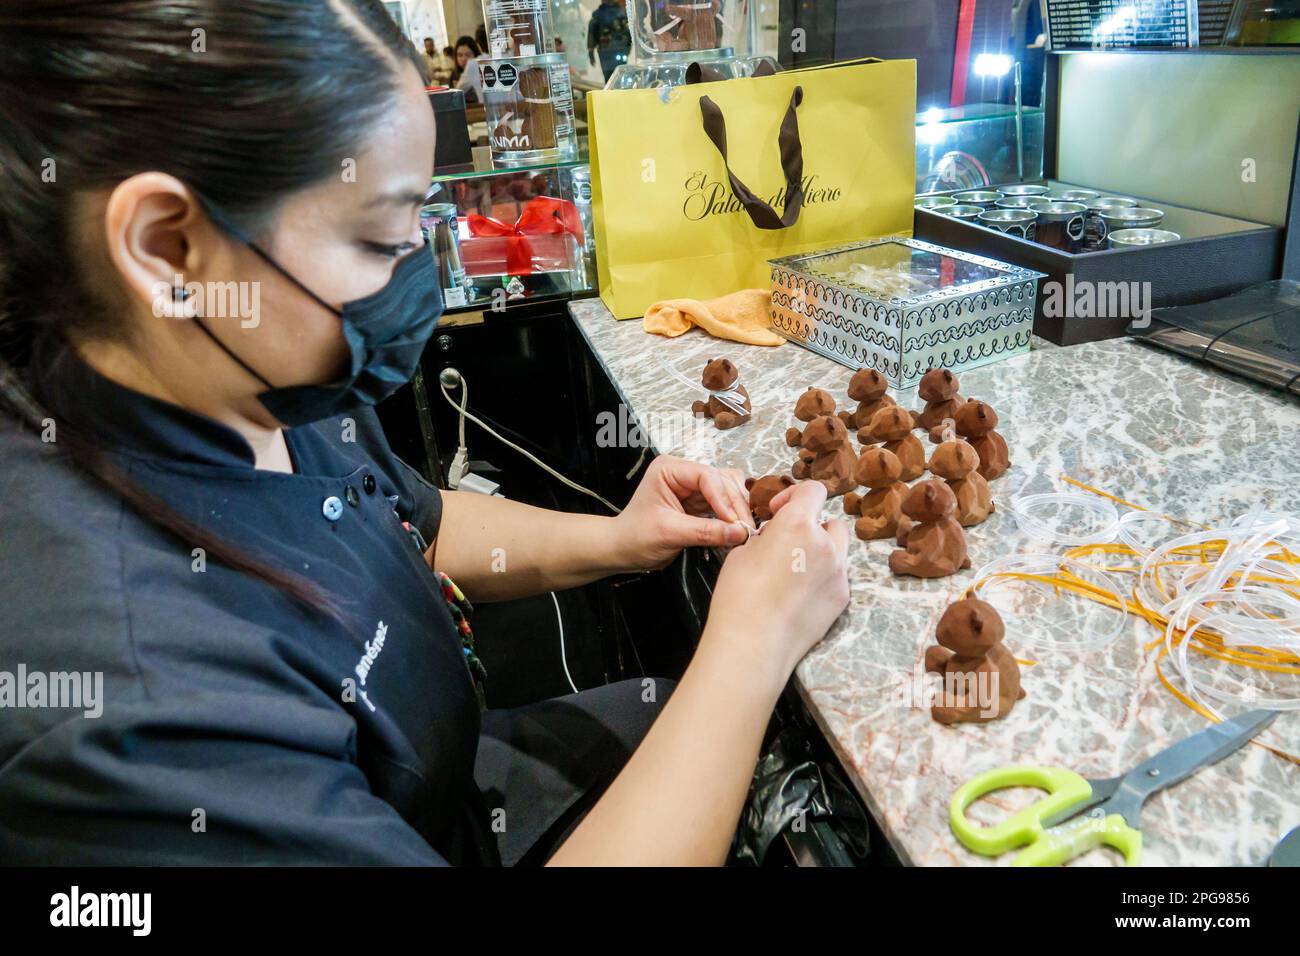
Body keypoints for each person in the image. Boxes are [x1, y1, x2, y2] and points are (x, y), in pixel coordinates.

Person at [0, 0, 849, 866]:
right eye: (377, 236)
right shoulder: (141, 716)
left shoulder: (249, 373)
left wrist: (623, 538)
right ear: (167, 247)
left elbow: (417, 524)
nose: (419, 266)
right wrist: (751, 644)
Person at [587, 0, 631, 82]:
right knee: (618, 76)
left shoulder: (598, 15)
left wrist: (591, 52)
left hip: (609, 51)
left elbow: (591, 35)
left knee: (612, 77)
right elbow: (592, 34)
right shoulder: (620, 13)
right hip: (612, 50)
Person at [450, 34, 483, 102]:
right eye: (460, 55)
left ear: (476, 55)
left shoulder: (481, 71)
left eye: (468, 55)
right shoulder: (454, 75)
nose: (463, 59)